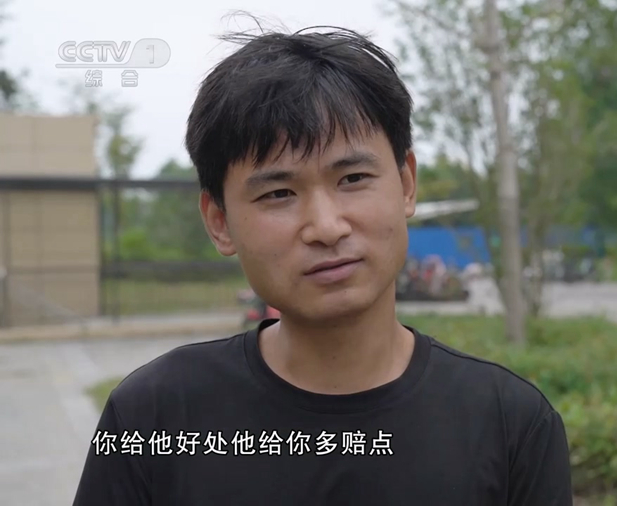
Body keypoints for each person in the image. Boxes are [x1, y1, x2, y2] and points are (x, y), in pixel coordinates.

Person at [73, 24, 572, 506]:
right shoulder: (153, 418)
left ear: (406, 184)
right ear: (219, 221)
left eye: (352, 179)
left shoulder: (512, 425)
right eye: (278, 193)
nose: (326, 227)